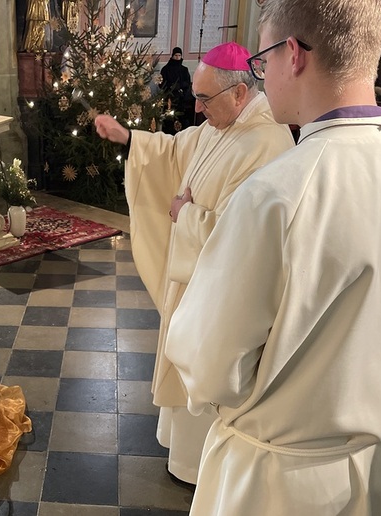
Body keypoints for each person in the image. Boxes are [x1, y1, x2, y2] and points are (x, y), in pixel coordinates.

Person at [165, 0, 381, 514]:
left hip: (278, 482)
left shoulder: (275, 195)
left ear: (293, 54)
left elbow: (209, 363)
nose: (263, 76)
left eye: (263, 61)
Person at [94, 42, 294, 487]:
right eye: (196, 99)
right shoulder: (221, 124)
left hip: (222, 292)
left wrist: (185, 213)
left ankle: (199, 464)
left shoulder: (267, 142)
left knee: (206, 368)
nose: (198, 110)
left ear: (240, 93)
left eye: (205, 99)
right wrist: (128, 137)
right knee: (182, 360)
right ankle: (179, 448)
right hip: (192, 281)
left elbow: (241, 235)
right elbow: (176, 150)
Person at [160, 47, 192, 131]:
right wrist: (171, 87)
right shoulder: (166, 69)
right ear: (172, 56)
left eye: (179, 55)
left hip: (181, 100)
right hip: (170, 99)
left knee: (182, 120)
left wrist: (180, 86)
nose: (177, 58)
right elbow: (162, 83)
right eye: (176, 55)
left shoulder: (184, 70)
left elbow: (187, 83)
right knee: (169, 121)